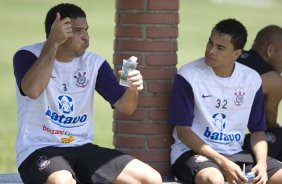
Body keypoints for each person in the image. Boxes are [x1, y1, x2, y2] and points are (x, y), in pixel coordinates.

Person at [13, 3, 162, 184]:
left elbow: (126, 107)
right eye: (77, 31)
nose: (86, 37)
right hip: (40, 148)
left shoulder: (94, 63)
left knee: (151, 179)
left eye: (86, 29)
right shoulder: (27, 55)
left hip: (82, 148)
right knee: (61, 181)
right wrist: (53, 43)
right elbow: (33, 90)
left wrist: (132, 90)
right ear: (58, 33)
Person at [168, 18, 282, 184]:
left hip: (236, 153)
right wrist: (222, 162)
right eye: (210, 43)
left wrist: (262, 164)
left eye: (220, 47)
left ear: (236, 54)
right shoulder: (188, 75)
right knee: (215, 180)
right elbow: (183, 132)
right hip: (192, 152)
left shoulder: (252, 79)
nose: (211, 51)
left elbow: (258, 131)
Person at [237, 25, 282, 161]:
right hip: (231, 147)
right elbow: (269, 121)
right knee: (278, 134)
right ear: (270, 50)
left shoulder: (233, 57)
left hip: (204, 138)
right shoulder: (273, 79)